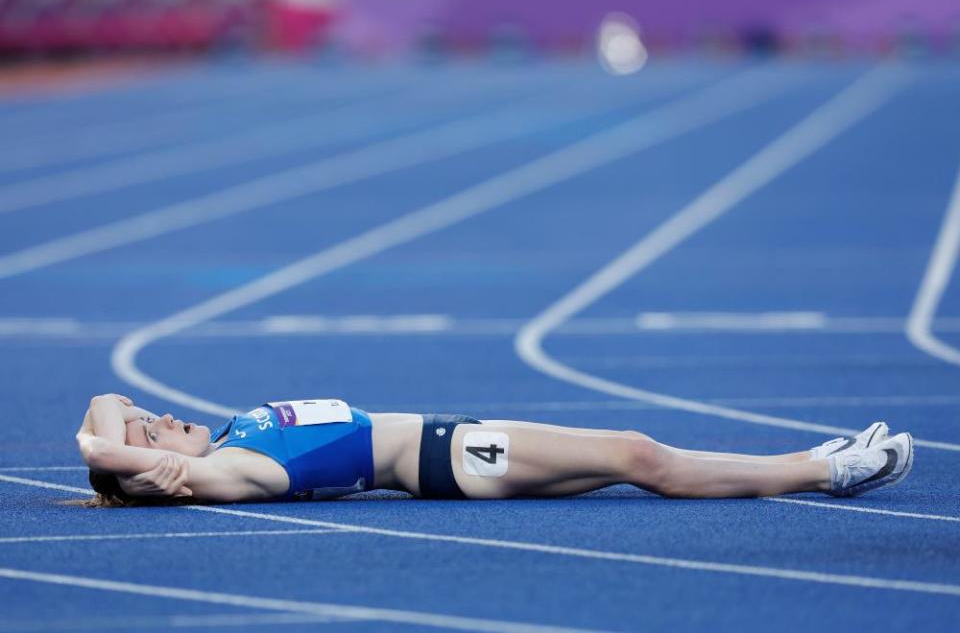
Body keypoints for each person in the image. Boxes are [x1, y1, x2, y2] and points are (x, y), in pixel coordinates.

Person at [76, 393, 913, 506]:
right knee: (636, 452)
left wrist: (107, 431)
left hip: (452, 453)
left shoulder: (226, 439)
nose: (153, 415)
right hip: (448, 458)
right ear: (152, 464)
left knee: (635, 459)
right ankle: (828, 467)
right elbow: (105, 441)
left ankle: (819, 463)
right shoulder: (217, 470)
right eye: (151, 427)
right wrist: (105, 456)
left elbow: (104, 403)